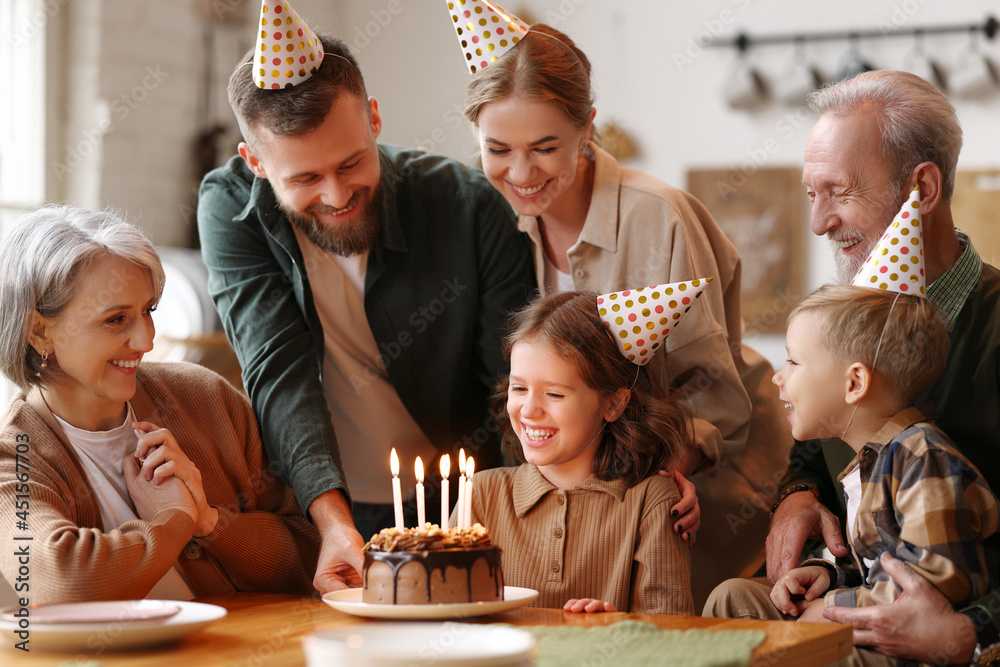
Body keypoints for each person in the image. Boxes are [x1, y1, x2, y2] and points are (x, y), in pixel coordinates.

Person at [197, 12, 536, 593]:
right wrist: (332, 523)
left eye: (352, 163)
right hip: (321, 508)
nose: (336, 195)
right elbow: (277, 371)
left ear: (373, 118)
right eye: (305, 178)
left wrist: (519, 512)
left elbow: (508, 385)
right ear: (256, 163)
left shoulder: (467, 204)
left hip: (462, 503)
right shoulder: (230, 209)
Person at [460, 19, 792, 604]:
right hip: (600, 504)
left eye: (545, 148)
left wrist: (670, 467)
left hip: (702, 489)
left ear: (587, 128)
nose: (520, 173)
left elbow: (715, 393)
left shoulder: (660, 217)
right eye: (497, 150)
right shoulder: (501, 225)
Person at [765, 70, 1000, 663]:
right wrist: (797, 495)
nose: (819, 223)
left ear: (922, 189)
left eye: (839, 192)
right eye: (810, 193)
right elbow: (817, 456)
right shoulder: (839, 324)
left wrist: (970, 634)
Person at [0, 206, 319, 604]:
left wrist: (210, 521)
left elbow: (312, 555)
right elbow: (63, 584)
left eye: (147, 311)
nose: (146, 341)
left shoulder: (207, 398)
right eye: (116, 319)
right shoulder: (15, 456)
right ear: (39, 332)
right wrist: (175, 520)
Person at [705, 284, 999, 665]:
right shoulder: (871, 460)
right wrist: (830, 577)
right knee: (732, 597)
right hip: (872, 616)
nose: (779, 378)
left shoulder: (924, 460)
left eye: (792, 362)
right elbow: (881, 567)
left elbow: (932, 587)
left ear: (854, 383)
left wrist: (831, 608)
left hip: (913, 648)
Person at [471, 290, 694, 614]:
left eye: (554, 394)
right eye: (518, 388)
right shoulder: (481, 495)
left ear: (614, 403)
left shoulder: (653, 502)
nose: (529, 410)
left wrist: (618, 629)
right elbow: (447, 621)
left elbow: (673, 638)